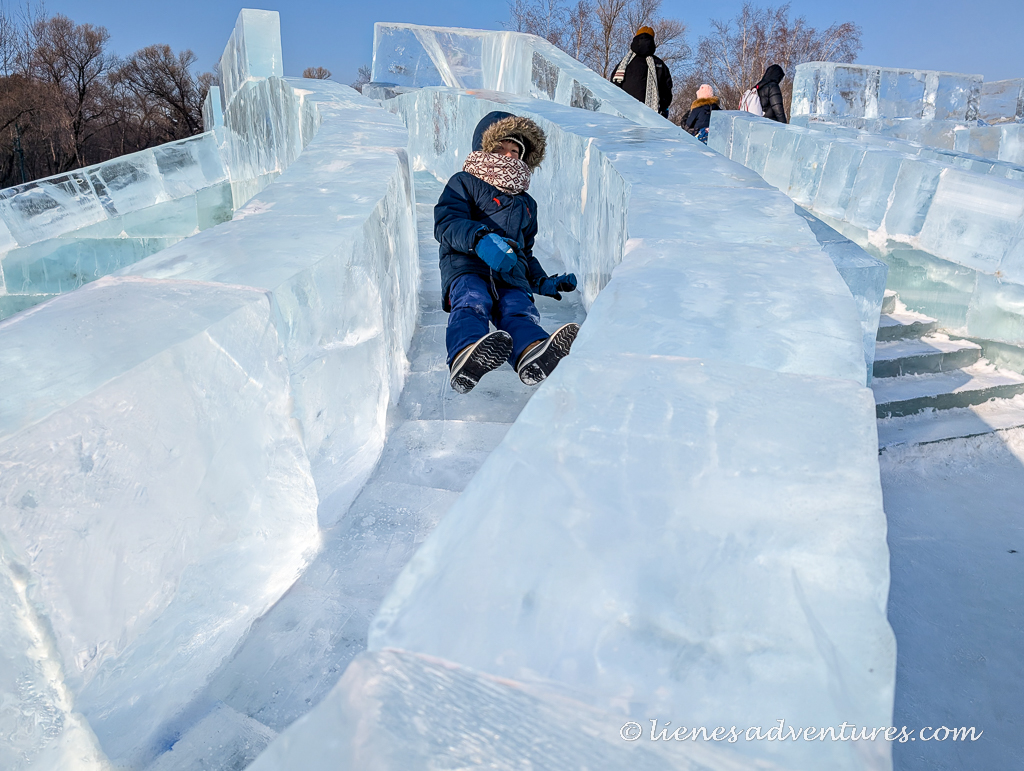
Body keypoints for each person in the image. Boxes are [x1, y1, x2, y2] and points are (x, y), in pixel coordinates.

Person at [434, 111, 580, 394]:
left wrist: (542, 281)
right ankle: (466, 352)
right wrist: (480, 239)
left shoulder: (527, 204)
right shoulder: (464, 182)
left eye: (515, 151)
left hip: (511, 273)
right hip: (467, 264)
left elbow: (525, 251)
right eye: (501, 148)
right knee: (472, 301)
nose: (509, 155)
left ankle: (531, 352)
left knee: (518, 310)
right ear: (485, 147)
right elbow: (447, 222)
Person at [611, 26, 673, 118]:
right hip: (647, 116)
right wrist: (664, 108)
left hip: (625, 112)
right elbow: (666, 91)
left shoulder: (624, 64)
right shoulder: (659, 65)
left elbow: (613, 84)